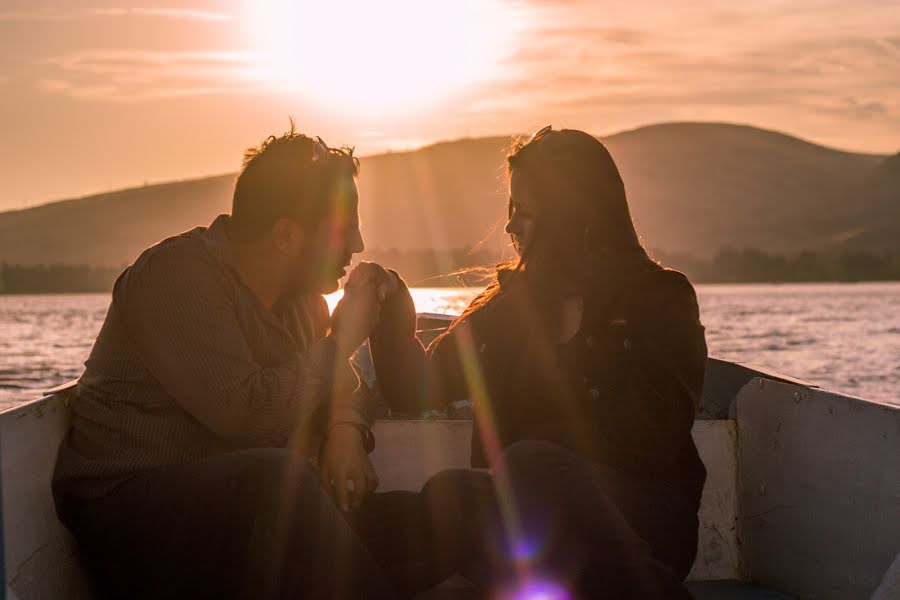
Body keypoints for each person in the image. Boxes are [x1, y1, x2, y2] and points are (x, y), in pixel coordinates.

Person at [52, 126, 410, 599]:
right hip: (129, 516)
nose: (360, 244)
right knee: (275, 482)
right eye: (346, 229)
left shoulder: (304, 303)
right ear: (285, 234)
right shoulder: (176, 278)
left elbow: (340, 383)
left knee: (458, 506)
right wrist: (341, 339)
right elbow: (244, 417)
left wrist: (345, 429)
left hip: (255, 517)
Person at [369, 126, 708, 598]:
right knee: (449, 495)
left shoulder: (660, 298)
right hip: (531, 531)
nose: (510, 228)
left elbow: (652, 438)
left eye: (525, 212)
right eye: (510, 212)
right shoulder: (507, 310)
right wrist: (390, 308)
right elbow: (414, 386)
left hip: (642, 523)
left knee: (531, 463)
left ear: (572, 213)